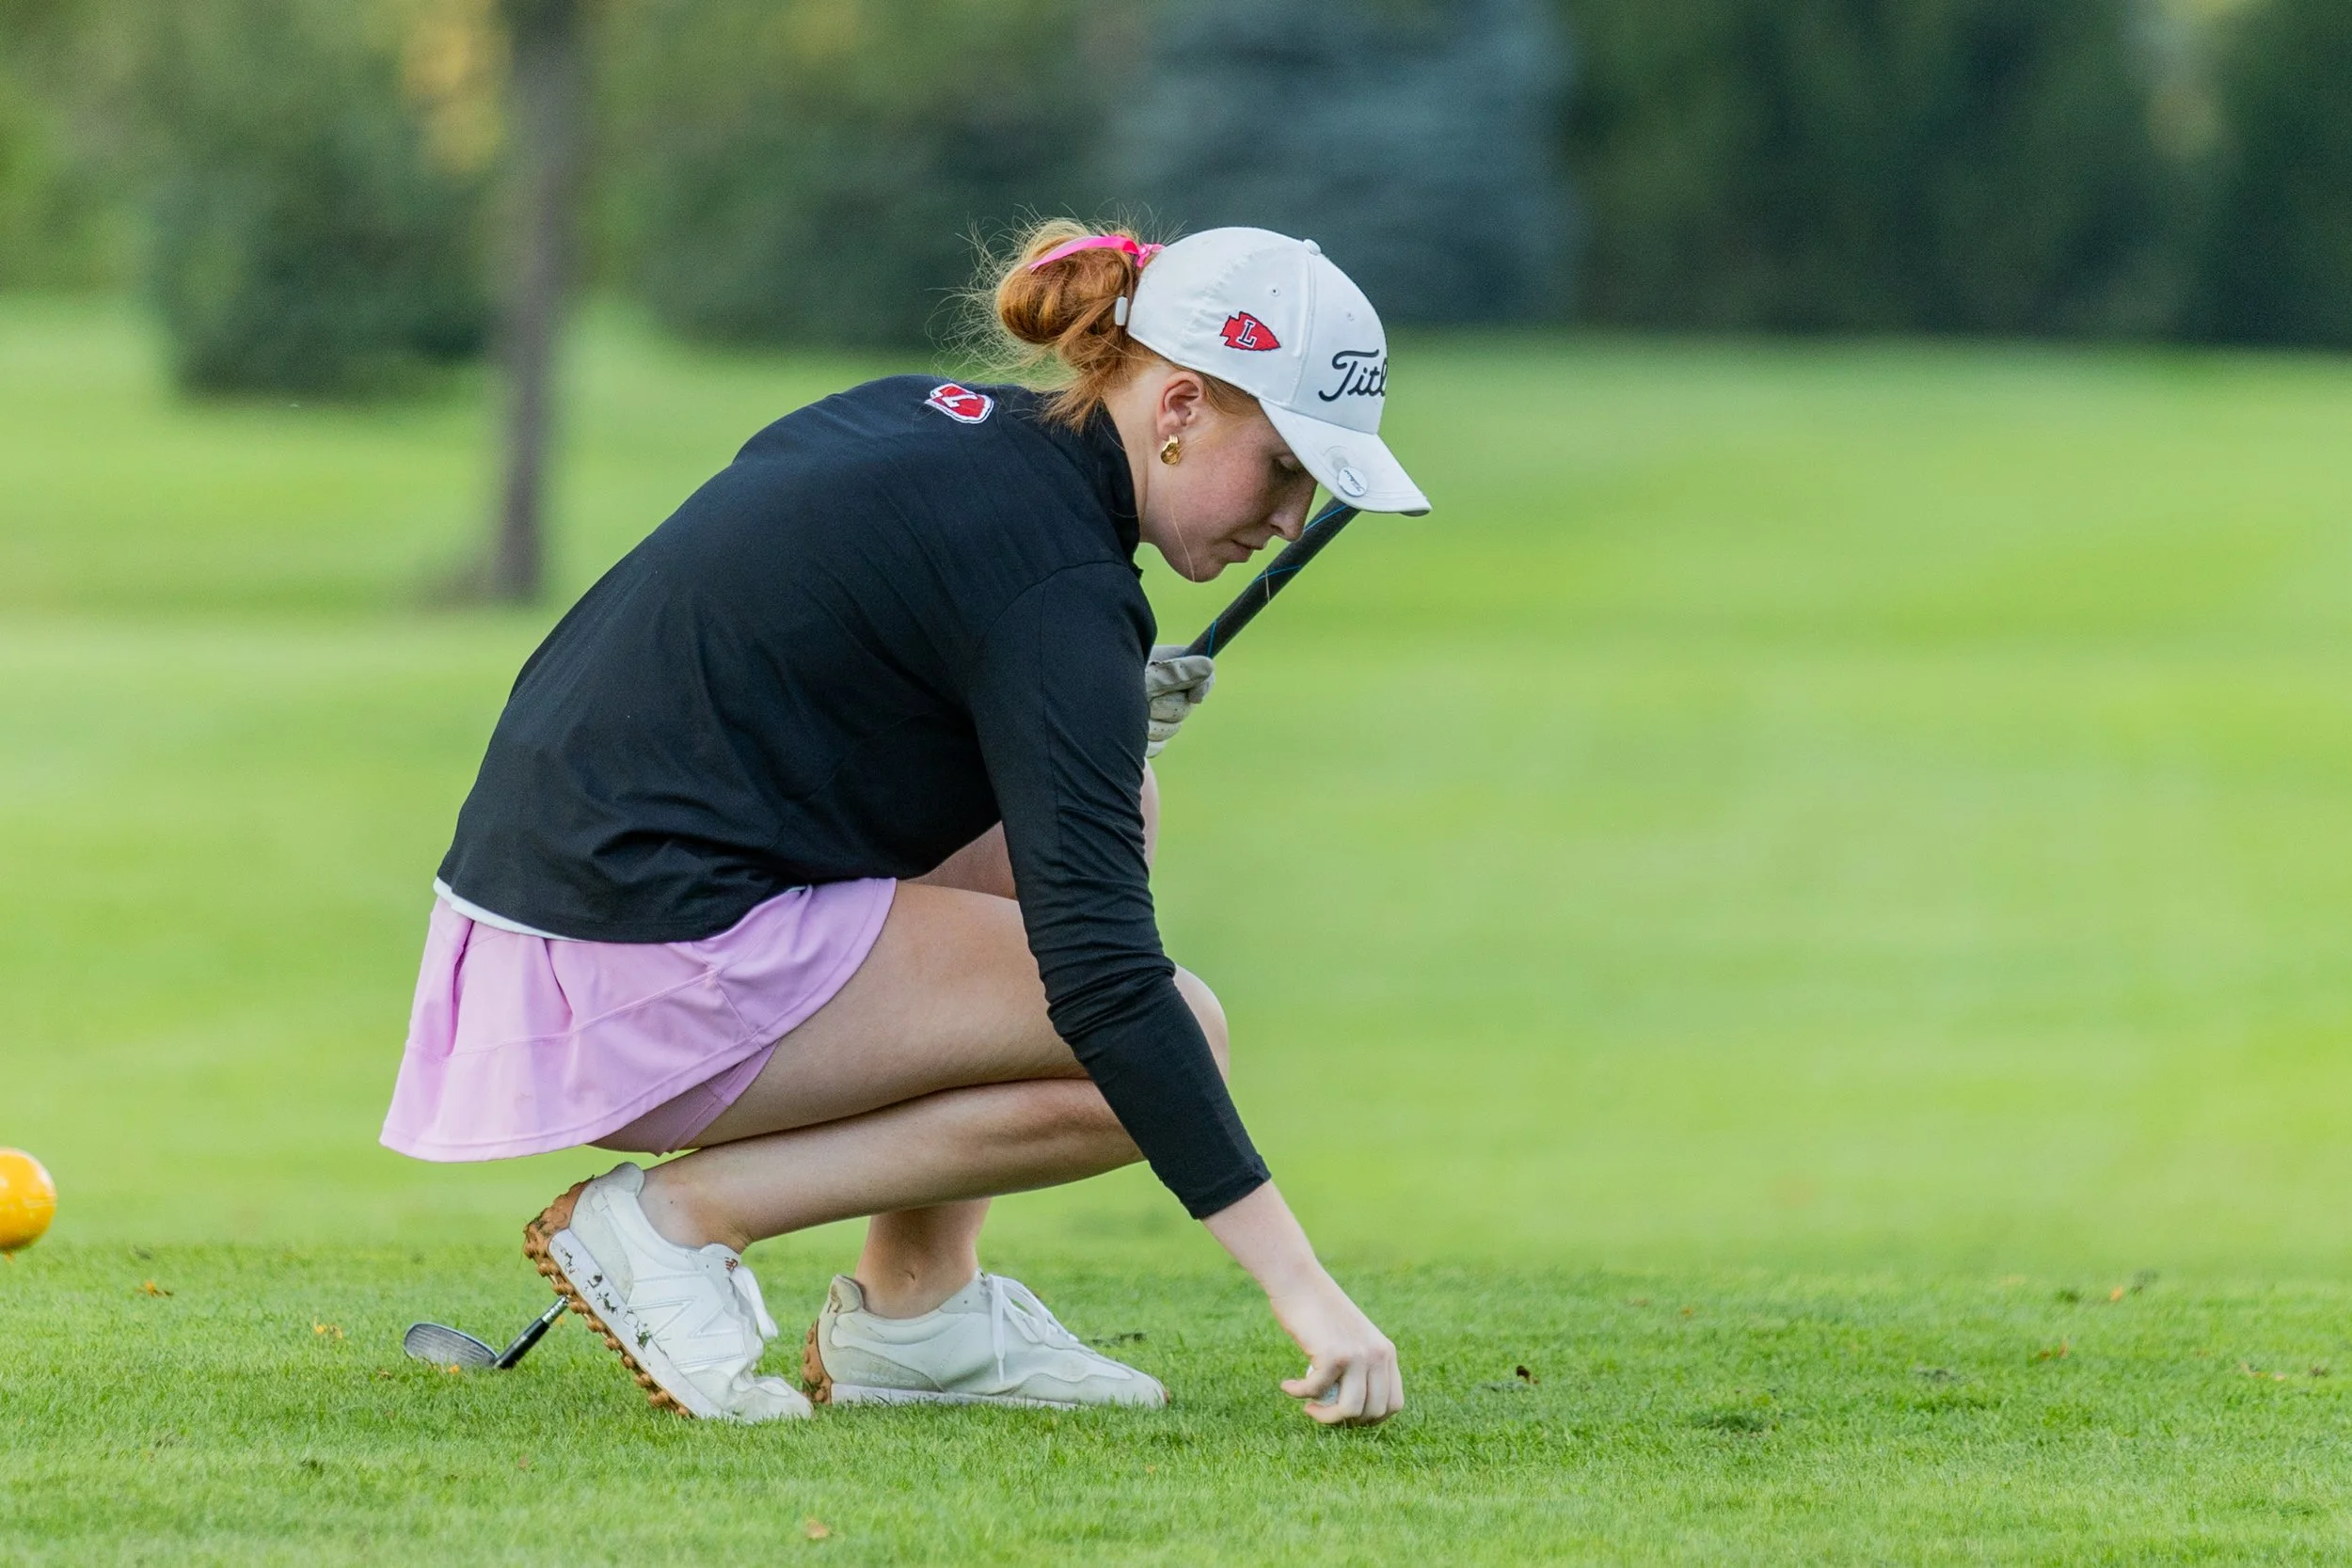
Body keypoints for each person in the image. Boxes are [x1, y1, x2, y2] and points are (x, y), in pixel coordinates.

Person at [380, 220, 1431, 1424]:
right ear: (1180, 405)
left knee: (1109, 808)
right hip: (618, 964)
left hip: (549, 914)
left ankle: (916, 1311)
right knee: (1169, 1033)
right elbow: (1103, 981)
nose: (1290, 519)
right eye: (1283, 467)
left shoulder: (938, 423)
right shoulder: (1058, 588)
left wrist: (1060, 718)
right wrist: (1307, 1292)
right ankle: (675, 1221)